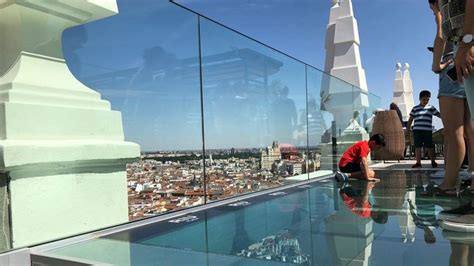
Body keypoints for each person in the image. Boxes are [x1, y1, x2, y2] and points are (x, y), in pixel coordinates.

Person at [429, 0, 474, 195]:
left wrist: (435, 64)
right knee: (470, 130)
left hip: (455, 63)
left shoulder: (439, 7)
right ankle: (471, 177)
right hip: (464, 53)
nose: (433, 12)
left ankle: (449, 184)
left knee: (453, 131)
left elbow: (440, 36)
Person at [407, 90, 441, 168]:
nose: (425, 101)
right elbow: (410, 119)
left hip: (427, 130)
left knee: (429, 146)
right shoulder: (415, 108)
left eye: (427, 99)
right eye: (424, 99)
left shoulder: (431, 108)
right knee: (417, 146)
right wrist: (408, 129)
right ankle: (418, 162)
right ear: (420, 99)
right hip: (417, 131)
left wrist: (447, 119)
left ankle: (433, 161)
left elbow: (439, 115)